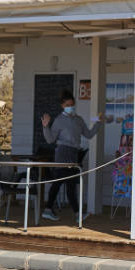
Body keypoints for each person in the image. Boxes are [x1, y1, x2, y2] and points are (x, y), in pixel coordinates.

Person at [37, 91, 90, 222]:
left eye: (72, 104)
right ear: (62, 105)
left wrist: (98, 122)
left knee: (65, 183)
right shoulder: (59, 120)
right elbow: (50, 139)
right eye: (67, 105)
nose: (70, 107)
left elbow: (88, 134)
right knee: (62, 182)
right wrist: (45, 126)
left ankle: (52, 210)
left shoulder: (79, 119)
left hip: (73, 153)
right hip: (62, 152)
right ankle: (75, 213)